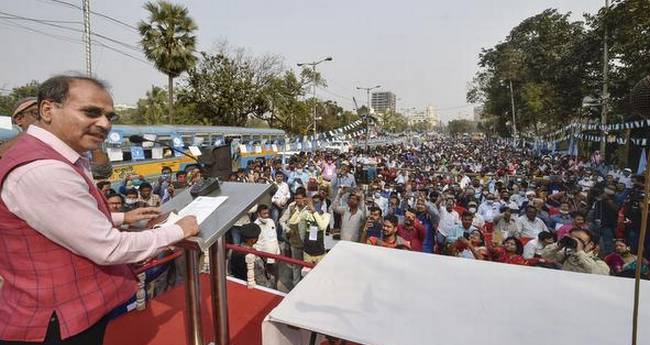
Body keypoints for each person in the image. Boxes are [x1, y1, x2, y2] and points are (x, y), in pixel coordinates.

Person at [0, 75, 199, 344]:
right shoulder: (44, 171)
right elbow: (110, 249)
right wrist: (177, 231)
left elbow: (62, 218)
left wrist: (121, 217)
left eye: (109, 116)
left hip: (72, 315)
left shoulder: (58, 155)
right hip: (58, 324)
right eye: (91, 112)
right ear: (48, 110)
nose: (104, 124)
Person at [540, 228, 610, 275]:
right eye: (572, 238)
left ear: (590, 245)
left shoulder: (598, 262)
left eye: (579, 239)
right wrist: (559, 245)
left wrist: (580, 251)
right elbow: (545, 255)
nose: (575, 241)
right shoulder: (567, 254)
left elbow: (601, 274)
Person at [229, 223, 275, 289]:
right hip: (252, 288)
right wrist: (272, 281)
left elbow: (230, 271)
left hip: (237, 284)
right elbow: (262, 282)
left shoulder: (232, 250)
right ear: (253, 240)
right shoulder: (255, 258)